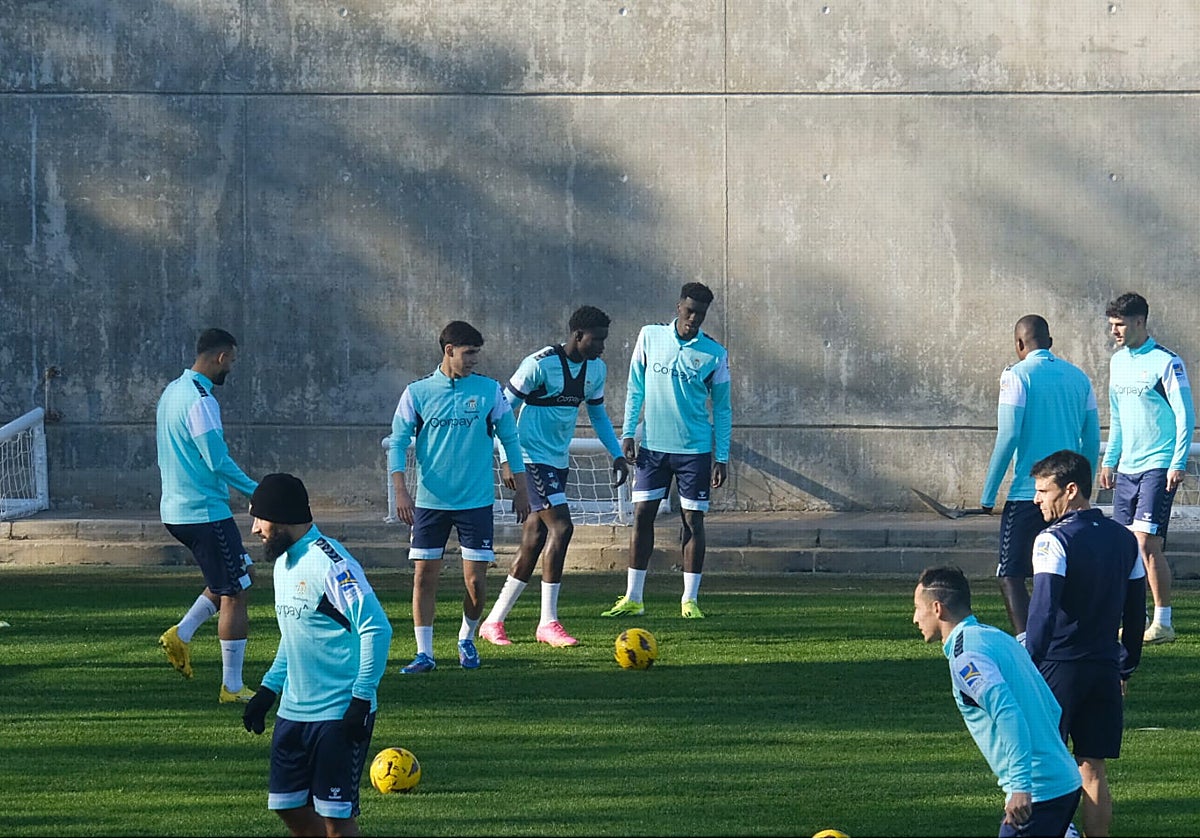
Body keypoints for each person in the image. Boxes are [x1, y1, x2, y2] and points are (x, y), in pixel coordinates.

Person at [241, 473, 393, 838]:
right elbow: (296, 634)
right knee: (287, 805)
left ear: (280, 517)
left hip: (338, 712)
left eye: (259, 518)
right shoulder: (283, 563)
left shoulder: (332, 564)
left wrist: (361, 698)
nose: (255, 529)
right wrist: (267, 689)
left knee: (336, 819)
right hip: (293, 712)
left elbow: (377, 628)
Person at [480, 306, 628, 647]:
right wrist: (508, 462)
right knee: (563, 526)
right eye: (598, 339)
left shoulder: (596, 370)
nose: (603, 346)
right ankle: (548, 622)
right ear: (578, 336)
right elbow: (501, 412)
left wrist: (617, 453)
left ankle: (493, 621)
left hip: (557, 462)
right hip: (530, 459)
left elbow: (598, 414)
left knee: (533, 539)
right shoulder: (539, 364)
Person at [389, 321, 531, 673]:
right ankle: (425, 653)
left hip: (476, 503)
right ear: (448, 350)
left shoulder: (489, 390)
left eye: (476, 355)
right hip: (430, 503)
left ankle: (466, 639)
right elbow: (396, 442)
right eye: (468, 354)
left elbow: (510, 438)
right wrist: (401, 490)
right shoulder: (417, 392)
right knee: (424, 576)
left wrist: (522, 489)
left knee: (475, 581)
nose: (473, 361)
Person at [912, 566, 1083, 838]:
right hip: (1063, 780)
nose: (914, 619)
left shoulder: (966, 657)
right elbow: (1051, 705)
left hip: (1039, 791)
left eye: (917, 608)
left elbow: (1008, 716)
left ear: (936, 608)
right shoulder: (997, 638)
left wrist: (1021, 786)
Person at [1028, 450, 1147, 838]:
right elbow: (1135, 613)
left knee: (1039, 765)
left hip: (1059, 667)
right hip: (1103, 668)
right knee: (1093, 769)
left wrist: (1028, 666)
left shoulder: (1052, 540)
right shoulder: (1124, 539)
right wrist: (1124, 666)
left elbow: (1043, 612)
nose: (1037, 499)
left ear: (1071, 489)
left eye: (1044, 490)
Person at [603, 282, 732, 619]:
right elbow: (635, 387)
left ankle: (689, 600)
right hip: (653, 449)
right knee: (642, 517)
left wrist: (721, 456)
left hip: (695, 451)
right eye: (689, 311)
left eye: (700, 315)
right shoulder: (650, 336)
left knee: (693, 521)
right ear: (678, 307)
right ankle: (633, 597)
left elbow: (722, 408)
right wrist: (628, 432)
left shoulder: (715, 354)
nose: (693, 319)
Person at [980, 315, 1100, 639]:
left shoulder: (1016, 376)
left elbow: (1008, 436)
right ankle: (1067, 636)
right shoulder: (1079, 379)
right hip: (1071, 495)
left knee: (1011, 573)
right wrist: (1084, 493)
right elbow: (1090, 442)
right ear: (1050, 342)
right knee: (1065, 569)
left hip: (1028, 494)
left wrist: (988, 495)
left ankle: (1027, 642)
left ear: (1019, 344)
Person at [156, 328, 258, 703]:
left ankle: (180, 635)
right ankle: (231, 686)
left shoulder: (172, 391)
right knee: (236, 591)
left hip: (177, 508)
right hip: (203, 511)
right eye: (230, 360)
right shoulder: (200, 400)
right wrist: (257, 492)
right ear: (220, 357)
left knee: (240, 574)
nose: (230, 367)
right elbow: (217, 461)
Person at [1099, 292, 1194, 644]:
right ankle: (1130, 617)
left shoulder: (1167, 362)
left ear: (1140, 321)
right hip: (1127, 467)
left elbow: (1185, 415)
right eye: (1112, 325)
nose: (1115, 332)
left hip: (1159, 464)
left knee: (1147, 543)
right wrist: (1110, 459)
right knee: (1125, 546)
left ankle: (1163, 621)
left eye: (1120, 324)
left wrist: (1177, 462)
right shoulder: (1118, 362)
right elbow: (1119, 416)